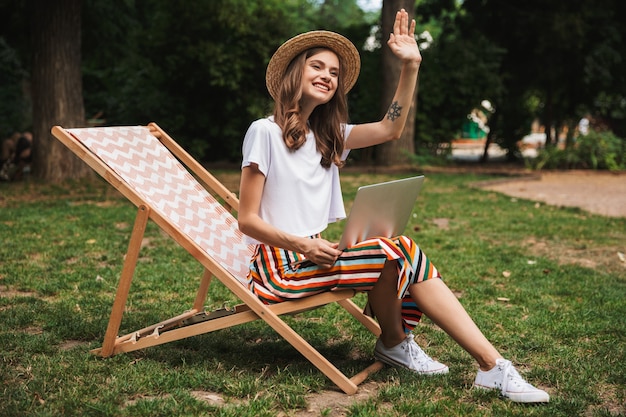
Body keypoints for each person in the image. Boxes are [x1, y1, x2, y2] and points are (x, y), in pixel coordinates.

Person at [237, 9, 549, 403]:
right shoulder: (263, 132)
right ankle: (486, 365)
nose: (327, 76)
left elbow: (391, 127)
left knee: (392, 248)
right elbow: (246, 220)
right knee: (396, 249)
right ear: (293, 75)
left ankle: (414, 347)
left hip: (311, 255)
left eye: (334, 73)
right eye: (317, 66)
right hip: (277, 270)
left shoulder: (331, 136)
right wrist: (303, 245)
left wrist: (411, 65)